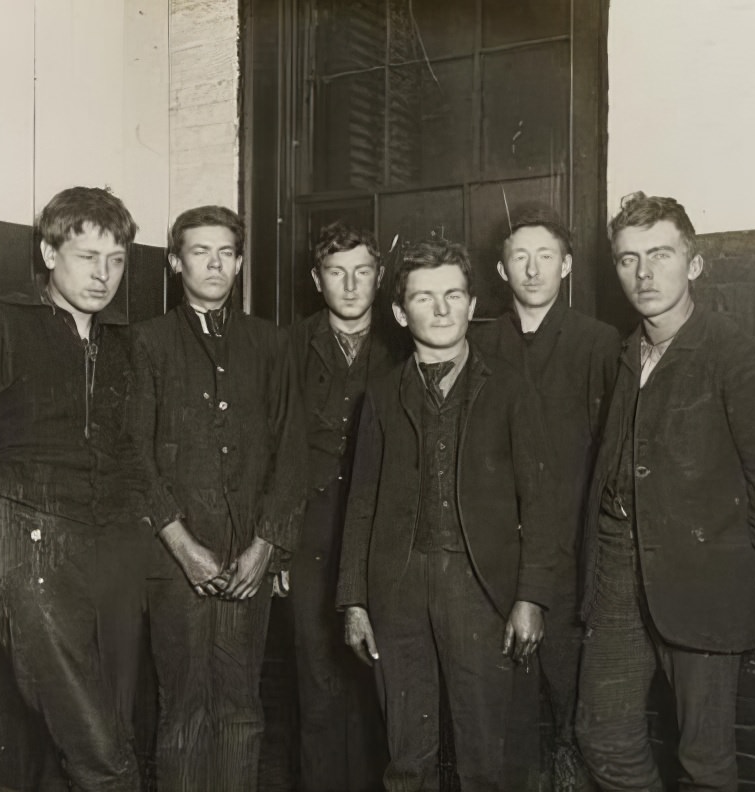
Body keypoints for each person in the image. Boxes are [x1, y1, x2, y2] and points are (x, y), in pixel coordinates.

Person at [575, 192, 755, 791]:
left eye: (660, 254)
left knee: (704, 762)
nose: (644, 273)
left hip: (705, 589)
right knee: (602, 736)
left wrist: (735, 566)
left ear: (695, 262)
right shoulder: (621, 357)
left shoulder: (738, 359)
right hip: (618, 585)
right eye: (628, 259)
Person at [337, 239, 564, 792]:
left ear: (471, 303)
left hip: (479, 587)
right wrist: (354, 599)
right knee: (406, 758)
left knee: (484, 755)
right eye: (423, 298)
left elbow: (539, 504)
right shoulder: (382, 396)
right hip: (398, 586)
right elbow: (361, 501)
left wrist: (531, 596)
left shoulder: (511, 389)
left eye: (453, 295)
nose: (440, 309)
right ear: (398, 312)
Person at [0, 186, 142, 791]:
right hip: (22, 539)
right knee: (93, 743)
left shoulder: (123, 344)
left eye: (115, 260)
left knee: (107, 721)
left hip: (106, 547)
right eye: (87, 256)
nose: (102, 274)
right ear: (47, 251)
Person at [129, 205, 305, 792]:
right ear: (176, 262)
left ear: (239, 263)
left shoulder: (269, 343)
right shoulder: (147, 343)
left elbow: (291, 453)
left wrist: (265, 548)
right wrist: (183, 548)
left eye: (226, 252)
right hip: (174, 559)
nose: (214, 263)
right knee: (181, 708)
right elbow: (137, 456)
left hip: (245, 561)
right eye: (200, 251)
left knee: (240, 707)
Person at [472, 208, 619, 789]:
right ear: (501, 270)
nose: (532, 269)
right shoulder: (478, 341)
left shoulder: (598, 342)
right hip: (493, 557)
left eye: (546, 256)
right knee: (503, 712)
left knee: (573, 710)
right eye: (519, 257)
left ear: (568, 265)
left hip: (571, 558)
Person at [288, 222, 394, 791]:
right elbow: (276, 449)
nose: (350, 285)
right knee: (319, 688)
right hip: (311, 539)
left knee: (382, 689)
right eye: (336, 272)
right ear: (316, 279)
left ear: (380, 277)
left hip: (386, 536)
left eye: (362, 272)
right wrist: (278, 542)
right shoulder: (290, 346)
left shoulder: (405, 343)